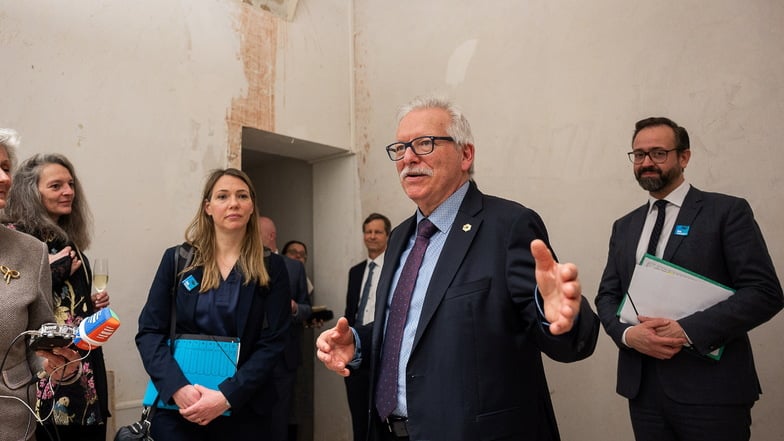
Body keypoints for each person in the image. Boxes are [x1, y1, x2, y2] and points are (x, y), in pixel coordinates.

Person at [316, 96, 600, 441]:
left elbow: (568, 343)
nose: (408, 158)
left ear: (466, 155)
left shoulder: (509, 226)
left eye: (424, 143)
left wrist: (557, 315)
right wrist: (359, 342)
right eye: (400, 148)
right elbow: (416, 326)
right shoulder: (401, 235)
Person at [595, 117, 784, 441]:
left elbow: (764, 292)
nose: (646, 163)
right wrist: (628, 336)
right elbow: (607, 296)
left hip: (712, 391)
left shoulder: (726, 212)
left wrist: (687, 330)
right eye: (638, 155)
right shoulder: (624, 226)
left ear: (684, 157)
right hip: (643, 391)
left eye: (658, 153)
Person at [136, 168, 291, 440]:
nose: (233, 203)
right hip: (180, 409)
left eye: (242, 196)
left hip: (245, 409)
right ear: (208, 207)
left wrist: (227, 397)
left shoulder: (271, 266)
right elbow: (150, 332)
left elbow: (275, 341)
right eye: (223, 196)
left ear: (251, 206)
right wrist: (178, 389)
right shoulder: (178, 260)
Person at [3, 153, 112, 441]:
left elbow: (68, 303)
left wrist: (91, 303)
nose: (68, 192)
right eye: (56, 186)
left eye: (70, 184)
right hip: (41, 375)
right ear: (31, 192)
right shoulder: (15, 241)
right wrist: (56, 271)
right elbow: (22, 309)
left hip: (80, 362)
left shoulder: (69, 242)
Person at [0, 129, 81, 441]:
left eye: (7, 168)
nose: (5, 178)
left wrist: (59, 365)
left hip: (12, 425)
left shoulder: (30, 251)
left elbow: (37, 344)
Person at [257, 216, 311, 441]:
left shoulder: (294, 268)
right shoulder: (240, 262)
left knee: (280, 419)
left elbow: (307, 308)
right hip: (248, 356)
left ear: (270, 235)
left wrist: (295, 308)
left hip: (283, 358)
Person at [343, 213, 390, 441]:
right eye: (368, 232)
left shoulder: (394, 268)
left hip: (383, 355)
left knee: (382, 424)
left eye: (377, 232)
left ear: (387, 236)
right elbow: (349, 311)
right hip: (355, 358)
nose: (372, 236)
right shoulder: (355, 272)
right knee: (359, 421)